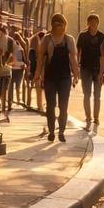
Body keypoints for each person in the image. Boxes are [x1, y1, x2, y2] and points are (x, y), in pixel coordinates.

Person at [34, 13, 79, 142]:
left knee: (63, 106)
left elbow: (73, 59)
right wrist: (37, 75)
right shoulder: (46, 40)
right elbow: (40, 59)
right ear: (53, 25)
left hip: (65, 77)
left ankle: (62, 131)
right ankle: (52, 131)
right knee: (50, 106)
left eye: (63, 24)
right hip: (50, 78)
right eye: (59, 24)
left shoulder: (69, 40)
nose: (62, 27)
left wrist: (76, 75)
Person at [77, 13, 104, 130]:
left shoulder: (102, 37)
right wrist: (77, 65)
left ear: (98, 23)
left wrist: (102, 71)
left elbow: (103, 55)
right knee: (87, 94)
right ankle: (88, 116)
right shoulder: (83, 36)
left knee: (97, 95)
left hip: (98, 69)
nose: (93, 24)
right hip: (85, 68)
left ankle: (96, 117)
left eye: (95, 22)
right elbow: (78, 51)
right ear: (88, 23)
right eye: (91, 22)